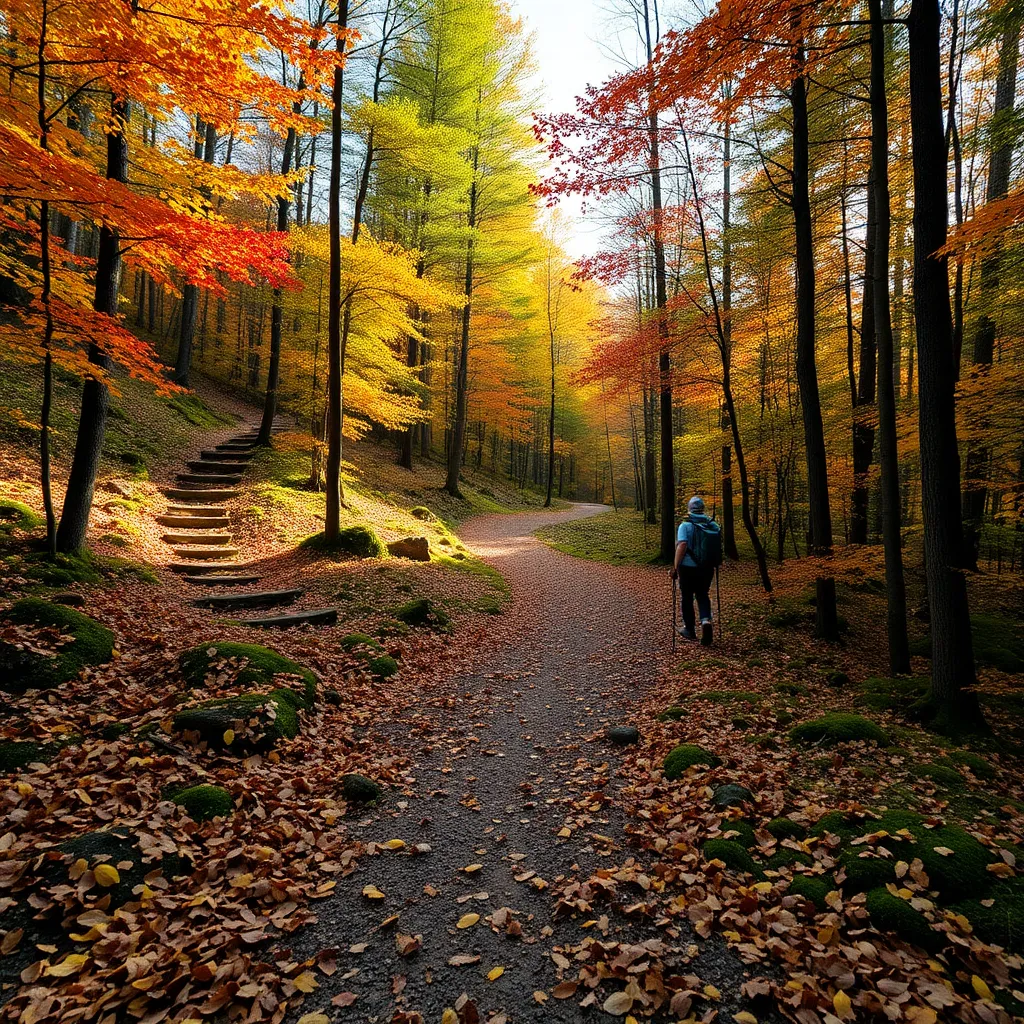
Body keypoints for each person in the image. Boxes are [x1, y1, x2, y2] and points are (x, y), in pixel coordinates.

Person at [669, 495, 719, 646]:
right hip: (707, 567)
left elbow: (682, 545)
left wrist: (675, 566)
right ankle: (706, 622)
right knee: (703, 595)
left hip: (688, 568)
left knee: (687, 597)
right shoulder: (712, 525)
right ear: (702, 509)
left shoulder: (685, 525)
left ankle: (689, 629)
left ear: (690, 509)